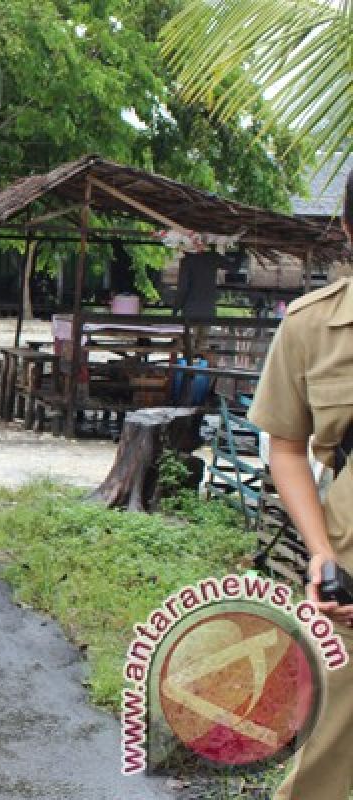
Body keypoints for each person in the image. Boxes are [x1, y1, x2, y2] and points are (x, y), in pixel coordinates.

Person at [249, 169, 353, 800]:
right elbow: (286, 447)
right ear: (348, 229)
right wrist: (321, 554)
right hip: (348, 579)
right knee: (324, 768)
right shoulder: (313, 326)